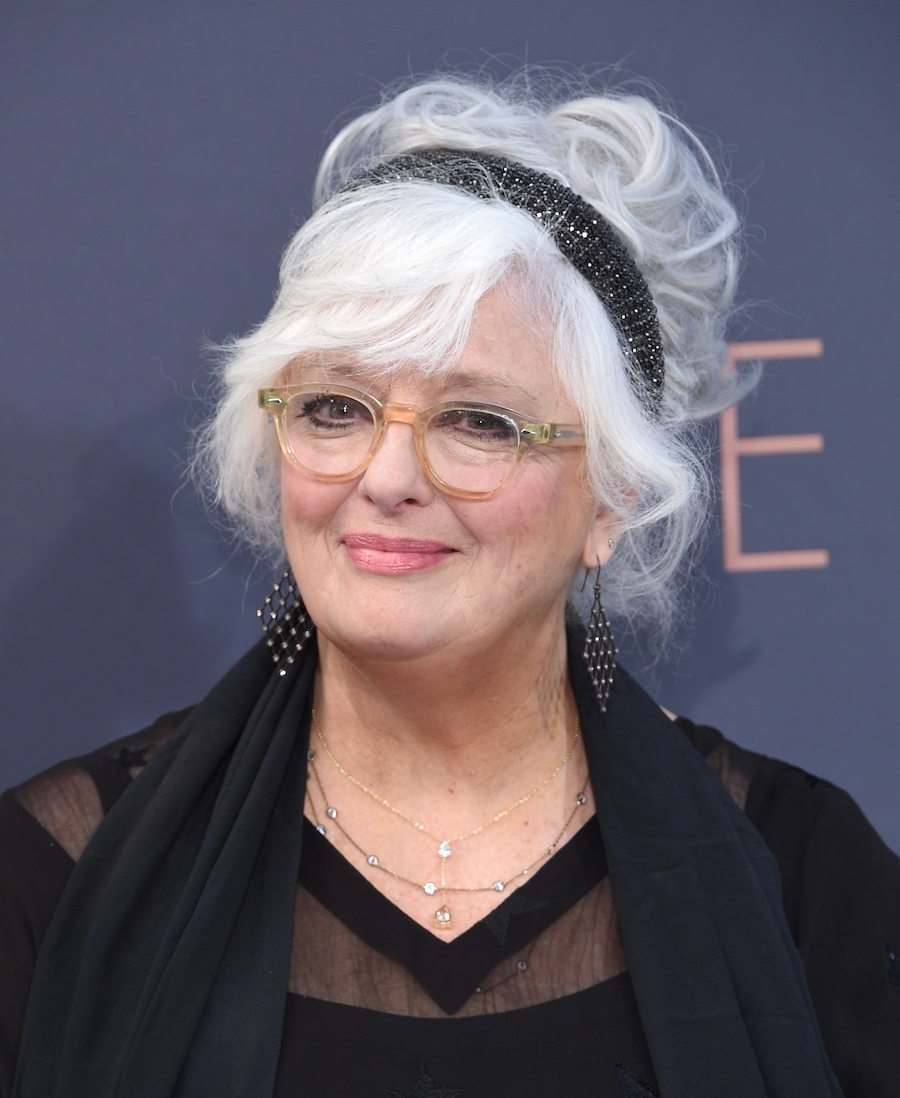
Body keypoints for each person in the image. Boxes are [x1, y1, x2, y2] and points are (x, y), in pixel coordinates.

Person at [1, 73, 897, 1098]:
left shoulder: (805, 874)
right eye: (335, 407)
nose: (385, 478)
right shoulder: (55, 870)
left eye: (480, 422)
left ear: (611, 500)